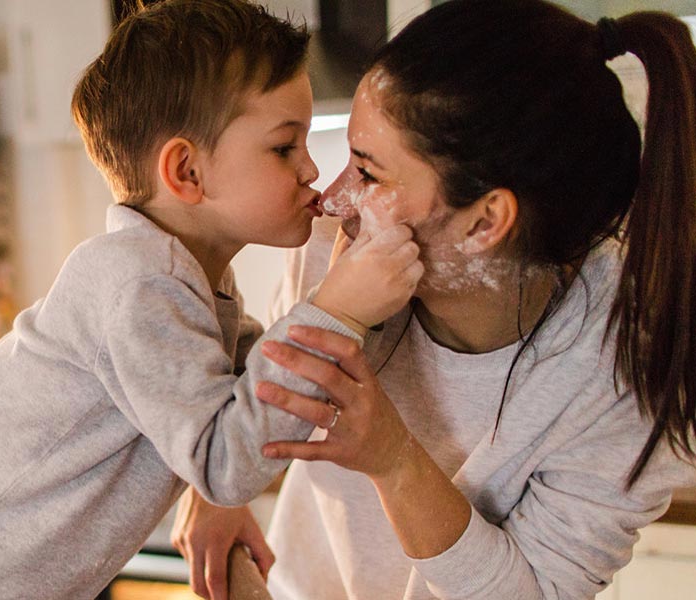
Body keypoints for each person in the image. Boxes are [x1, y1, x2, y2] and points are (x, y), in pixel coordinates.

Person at [0, 1, 426, 599]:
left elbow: (250, 387)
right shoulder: (139, 284)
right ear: (187, 172)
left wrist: (349, 309)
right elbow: (226, 460)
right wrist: (339, 309)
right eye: (283, 148)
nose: (311, 169)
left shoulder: (191, 279)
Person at [171, 1, 696, 599]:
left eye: (368, 174)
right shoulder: (335, 248)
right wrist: (214, 489)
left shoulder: (625, 375)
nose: (333, 202)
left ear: (484, 222)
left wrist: (394, 459)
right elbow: (253, 390)